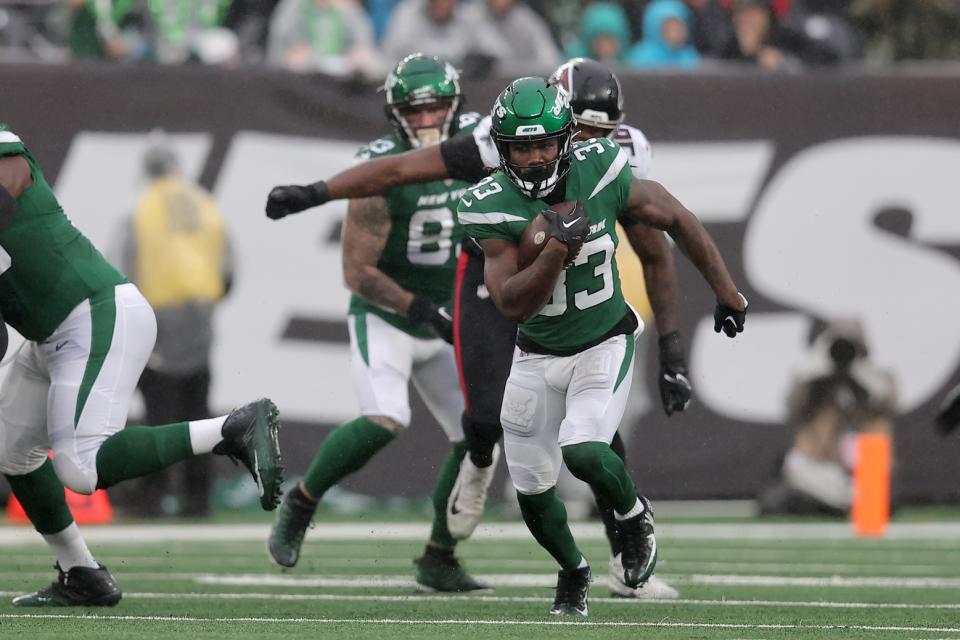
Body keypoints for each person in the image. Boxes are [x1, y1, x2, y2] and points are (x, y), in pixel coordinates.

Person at [264, 58, 692, 600]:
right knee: (481, 419)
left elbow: (656, 251)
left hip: (572, 300)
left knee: (597, 436)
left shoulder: (611, 161)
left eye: (597, 132)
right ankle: (477, 461)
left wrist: (674, 349)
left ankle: (620, 553)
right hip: (490, 288)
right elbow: (396, 171)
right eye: (577, 129)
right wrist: (315, 192)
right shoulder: (492, 142)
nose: (583, 143)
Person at [456, 77, 746, 616]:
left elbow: (676, 217)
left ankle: (633, 515)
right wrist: (553, 253)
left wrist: (726, 292)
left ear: (566, 138)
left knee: (585, 449)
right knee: (533, 493)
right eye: (522, 146)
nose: (536, 157)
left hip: (603, 341)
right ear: (503, 148)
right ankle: (574, 570)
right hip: (535, 351)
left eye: (545, 143)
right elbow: (510, 303)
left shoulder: (603, 165)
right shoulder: (487, 203)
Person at [0, 124, 283, 606]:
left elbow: (9, 189)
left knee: (81, 468)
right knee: (10, 451)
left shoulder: (7, 152)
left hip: (92, 312)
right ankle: (81, 573)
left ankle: (232, 429)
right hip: (50, 330)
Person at [267, 54, 489, 593]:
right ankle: (302, 500)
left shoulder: (482, 146)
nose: (429, 117)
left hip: (450, 313)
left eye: (438, 105)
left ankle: (439, 555)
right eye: (417, 109)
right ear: (395, 114)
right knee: (385, 417)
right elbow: (356, 271)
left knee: (478, 434)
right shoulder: (380, 168)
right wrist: (420, 310)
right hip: (390, 314)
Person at [114, 133, 234, 517]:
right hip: (200, 316)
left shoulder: (139, 208)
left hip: (155, 317)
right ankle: (198, 497)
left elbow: (120, 267)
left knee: (159, 412)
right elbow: (229, 269)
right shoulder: (205, 203)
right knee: (198, 408)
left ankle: (154, 495)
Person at [758, 317, 897, 516]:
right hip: (820, 467)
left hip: (866, 469)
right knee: (790, 480)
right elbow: (792, 407)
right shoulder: (815, 382)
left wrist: (860, 376)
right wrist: (814, 374)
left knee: (878, 426)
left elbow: (889, 405)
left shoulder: (880, 377)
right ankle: (844, 501)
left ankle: (848, 500)